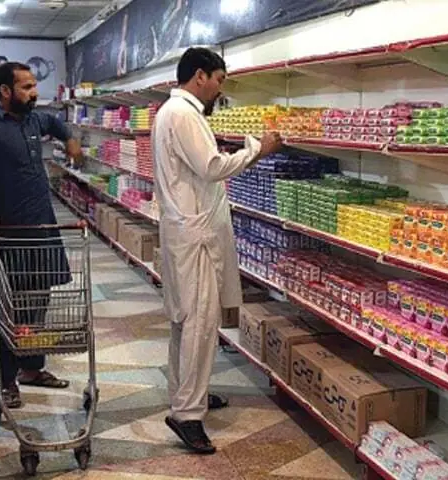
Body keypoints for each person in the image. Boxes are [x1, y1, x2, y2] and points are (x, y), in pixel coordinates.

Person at [153, 47, 282, 454]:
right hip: (195, 237)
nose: (220, 88)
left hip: (185, 231)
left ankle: (187, 395)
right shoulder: (184, 114)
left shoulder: (171, 113)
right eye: (219, 79)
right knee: (199, 323)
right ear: (199, 76)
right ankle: (187, 415)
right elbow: (210, 166)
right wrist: (256, 151)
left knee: (184, 320)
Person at [0, 62, 84, 410]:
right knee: (7, 309)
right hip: (8, 234)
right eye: (27, 87)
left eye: (34, 86)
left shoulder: (34, 120)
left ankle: (32, 368)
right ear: (5, 91)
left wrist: (70, 140)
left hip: (41, 229)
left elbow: (57, 124)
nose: (34, 93)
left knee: (37, 301)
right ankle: (5, 382)